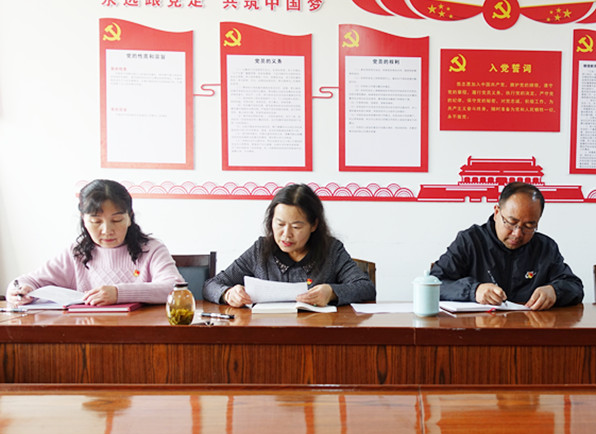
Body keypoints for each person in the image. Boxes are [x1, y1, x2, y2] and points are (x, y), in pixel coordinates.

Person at [5, 179, 183, 306]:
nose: (107, 230)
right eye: (96, 221)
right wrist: (19, 291)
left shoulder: (151, 249)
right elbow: (29, 280)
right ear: (84, 220)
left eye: (117, 220)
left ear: (130, 217)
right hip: (87, 334)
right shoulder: (77, 253)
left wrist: (119, 293)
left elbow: (175, 288)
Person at [204, 183, 375, 307]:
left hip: (318, 333)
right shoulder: (260, 250)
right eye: (280, 224)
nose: (286, 234)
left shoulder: (331, 250)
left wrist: (331, 293)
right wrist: (228, 293)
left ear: (314, 225)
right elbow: (211, 285)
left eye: (296, 227)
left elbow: (365, 287)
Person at [430, 182, 583, 310]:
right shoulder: (470, 241)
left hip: (530, 329)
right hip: (478, 329)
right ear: (497, 212)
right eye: (511, 222)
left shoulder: (545, 247)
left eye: (529, 226)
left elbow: (575, 286)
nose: (517, 233)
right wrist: (473, 291)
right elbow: (434, 283)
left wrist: (555, 291)